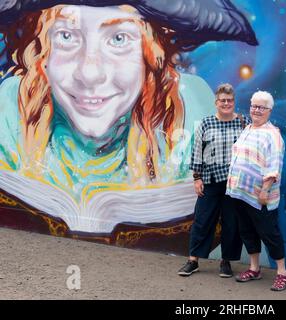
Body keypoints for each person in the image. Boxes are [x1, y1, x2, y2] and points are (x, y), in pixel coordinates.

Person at [0, 1, 257, 233]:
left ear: (151, 53)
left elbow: (240, 233)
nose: (89, 74)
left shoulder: (188, 109)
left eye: (119, 38)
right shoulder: (13, 108)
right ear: (40, 53)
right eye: (66, 36)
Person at [177, 83, 250, 278]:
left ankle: (226, 262)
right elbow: (197, 152)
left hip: (234, 183)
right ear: (216, 103)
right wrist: (197, 178)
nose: (226, 103)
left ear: (233, 102)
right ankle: (193, 261)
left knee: (231, 223)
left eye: (229, 100)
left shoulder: (243, 123)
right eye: (222, 101)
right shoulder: (206, 123)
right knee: (202, 220)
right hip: (210, 181)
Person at [226, 91, 286, 291]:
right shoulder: (247, 129)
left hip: (261, 196)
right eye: (254, 106)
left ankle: (282, 273)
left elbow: (274, 165)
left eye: (261, 107)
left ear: (269, 110)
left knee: (270, 233)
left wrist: (265, 191)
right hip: (240, 193)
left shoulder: (273, 135)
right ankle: (254, 268)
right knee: (247, 231)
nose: (256, 110)